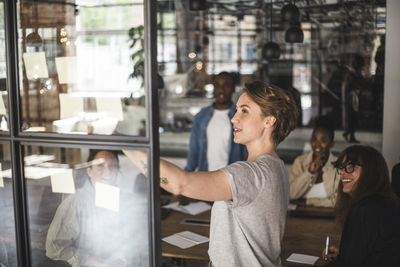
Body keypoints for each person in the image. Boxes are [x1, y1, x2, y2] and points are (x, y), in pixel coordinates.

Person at [124, 81, 299, 267]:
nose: (234, 118)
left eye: (245, 111)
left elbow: (179, 184)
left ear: (269, 120)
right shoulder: (276, 166)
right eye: (237, 109)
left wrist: (124, 144)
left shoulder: (251, 174)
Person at [46, 150, 147, 267]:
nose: (108, 172)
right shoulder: (76, 201)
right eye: (100, 166)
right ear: (89, 171)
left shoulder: (119, 199)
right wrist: (99, 264)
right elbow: (54, 248)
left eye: (113, 166)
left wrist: (121, 253)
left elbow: (129, 236)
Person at [323, 145, 400, 267]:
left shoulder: (364, 209)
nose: (342, 173)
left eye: (351, 167)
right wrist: (345, 253)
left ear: (370, 172)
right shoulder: (389, 202)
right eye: (342, 168)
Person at [184, 71, 247, 172]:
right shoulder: (201, 116)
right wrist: (186, 176)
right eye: (217, 85)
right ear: (214, 88)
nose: (221, 90)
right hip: (206, 177)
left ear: (233, 88)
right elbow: (193, 151)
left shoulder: (241, 117)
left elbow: (247, 152)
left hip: (232, 180)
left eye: (226, 85)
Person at [289, 116, 339, 207]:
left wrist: (306, 202)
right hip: (298, 218)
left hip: (329, 218)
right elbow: (291, 194)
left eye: (323, 140)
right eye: (314, 139)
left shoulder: (338, 165)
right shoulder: (300, 162)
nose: (317, 144)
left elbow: (337, 201)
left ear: (332, 144)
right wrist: (310, 172)